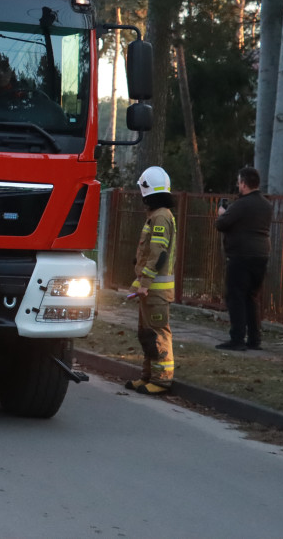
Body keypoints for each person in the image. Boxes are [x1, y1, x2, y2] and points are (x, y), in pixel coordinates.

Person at [125, 166, 177, 396]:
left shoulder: (161, 217)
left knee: (157, 334)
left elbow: (158, 254)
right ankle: (147, 376)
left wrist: (145, 284)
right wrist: (139, 284)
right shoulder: (156, 216)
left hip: (155, 291)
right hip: (150, 290)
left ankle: (162, 379)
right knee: (146, 334)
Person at [214, 166, 273, 351]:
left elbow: (222, 224)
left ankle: (237, 338)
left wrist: (222, 214)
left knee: (236, 296)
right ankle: (254, 339)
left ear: (245, 184)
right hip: (261, 255)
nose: (238, 186)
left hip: (241, 255)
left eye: (239, 182)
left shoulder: (241, 204)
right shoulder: (266, 205)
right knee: (252, 297)